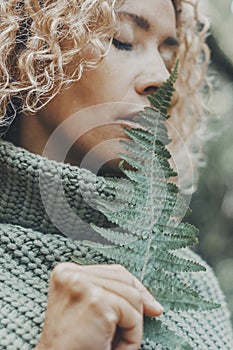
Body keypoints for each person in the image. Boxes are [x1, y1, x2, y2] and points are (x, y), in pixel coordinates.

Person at [0, 0, 232, 349]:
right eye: (121, 39)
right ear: (30, 49)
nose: (160, 77)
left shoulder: (193, 285)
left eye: (169, 58)